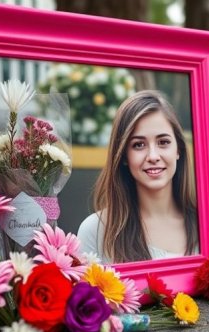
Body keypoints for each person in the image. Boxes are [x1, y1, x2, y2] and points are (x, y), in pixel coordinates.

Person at [77, 90, 198, 263]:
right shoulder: (95, 231)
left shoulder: (205, 223)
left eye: (163, 142)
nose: (153, 156)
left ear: (178, 149)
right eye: (139, 145)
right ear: (124, 156)